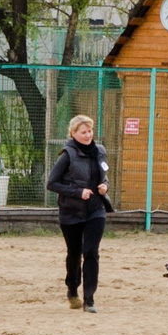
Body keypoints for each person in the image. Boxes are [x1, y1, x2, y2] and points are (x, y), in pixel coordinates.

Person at [45, 115, 113, 311]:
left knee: (91, 252)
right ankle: (72, 289)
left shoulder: (99, 152)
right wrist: (78, 192)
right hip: (71, 212)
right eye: (83, 132)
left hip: (96, 210)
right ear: (73, 134)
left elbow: (104, 176)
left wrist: (104, 186)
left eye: (89, 131)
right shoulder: (67, 155)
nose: (87, 135)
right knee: (74, 254)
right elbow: (52, 183)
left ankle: (89, 298)